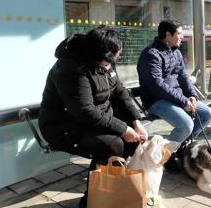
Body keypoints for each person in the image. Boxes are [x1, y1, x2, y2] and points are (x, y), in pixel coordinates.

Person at [38, 26, 147, 208]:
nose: (115, 61)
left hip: (90, 120)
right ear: (99, 55)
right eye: (112, 58)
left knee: (133, 140)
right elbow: (85, 111)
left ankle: (110, 188)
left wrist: (135, 121)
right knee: (113, 145)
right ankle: (91, 200)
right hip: (62, 127)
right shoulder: (71, 68)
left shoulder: (104, 62)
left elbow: (120, 92)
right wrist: (123, 129)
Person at [137, 20, 211, 170]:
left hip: (177, 99)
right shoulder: (151, 55)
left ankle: (180, 148)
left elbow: (183, 77)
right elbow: (157, 85)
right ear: (168, 35)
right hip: (156, 101)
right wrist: (183, 101)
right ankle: (163, 155)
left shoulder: (176, 52)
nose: (182, 37)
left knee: (207, 114)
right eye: (179, 33)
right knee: (186, 125)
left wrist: (192, 96)